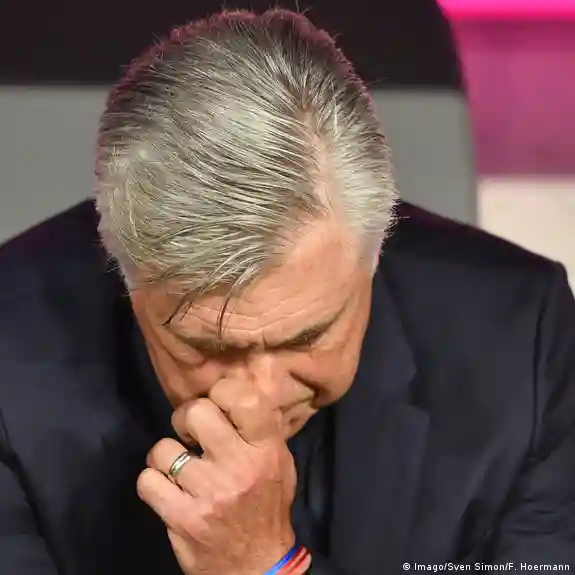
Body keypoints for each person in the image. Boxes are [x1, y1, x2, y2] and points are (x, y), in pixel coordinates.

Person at [0, 8, 574, 575]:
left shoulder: (524, 338)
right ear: (125, 276)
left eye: (306, 338)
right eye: (208, 347)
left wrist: (267, 567)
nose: (260, 397)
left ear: (373, 255)